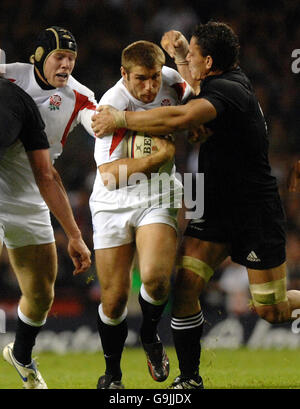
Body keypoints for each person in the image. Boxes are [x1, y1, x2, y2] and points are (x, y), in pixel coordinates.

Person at [92, 21, 300, 389]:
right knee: (185, 287)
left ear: (208, 61)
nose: (186, 60)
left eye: (193, 55)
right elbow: (190, 87)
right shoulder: (213, 82)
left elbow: (181, 115)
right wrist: (177, 52)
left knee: (271, 310)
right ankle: (190, 379)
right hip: (211, 203)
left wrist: (121, 120)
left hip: (254, 209)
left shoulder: (230, 90)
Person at [89, 40, 193, 389]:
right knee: (115, 298)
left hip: (159, 196)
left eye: (153, 78)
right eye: (140, 79)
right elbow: (109, 175)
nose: (149, 87)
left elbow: (196, 95)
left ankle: (150, 336)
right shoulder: (111, 104)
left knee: (155, 278)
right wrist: (155, 158)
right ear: (124, 75)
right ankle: (113, 375)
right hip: (112, 201)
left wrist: (180, 52)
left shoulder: (172, 81)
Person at [0, 26, 97, 389]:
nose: (66, 64)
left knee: (41, 293)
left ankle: (21, 356)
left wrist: (74, 235)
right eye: (59, 56)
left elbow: (97, 122)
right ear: (39, 57)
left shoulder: (80, 96)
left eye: (71, 58)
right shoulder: (10, 74)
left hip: (34, 193)